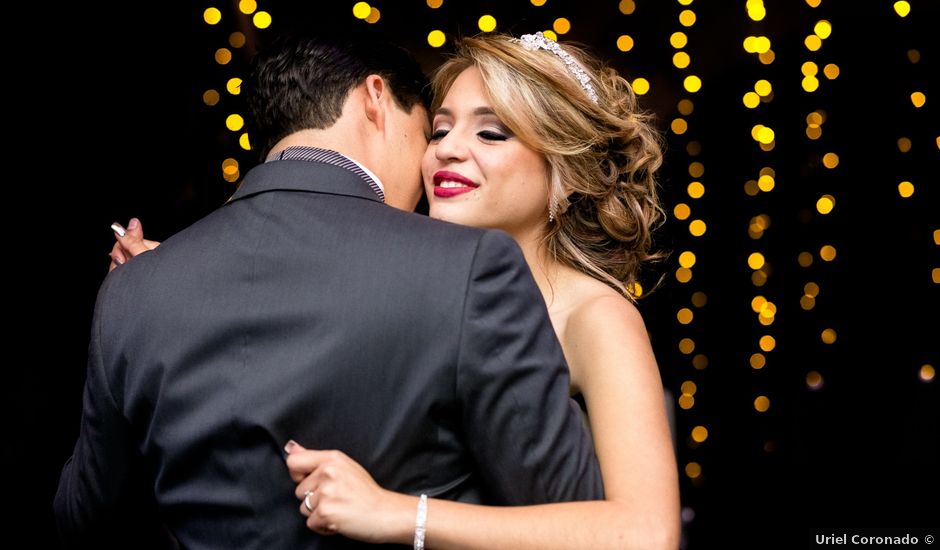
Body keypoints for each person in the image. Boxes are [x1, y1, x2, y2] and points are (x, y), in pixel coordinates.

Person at [113, 32, 681, 548]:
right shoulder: (415, 291)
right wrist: (169, 285)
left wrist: (401, 514)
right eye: (438, 129)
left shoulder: (596, 315)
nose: (446, 151)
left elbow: (645, 533)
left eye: (490, 132)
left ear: (565, 175)